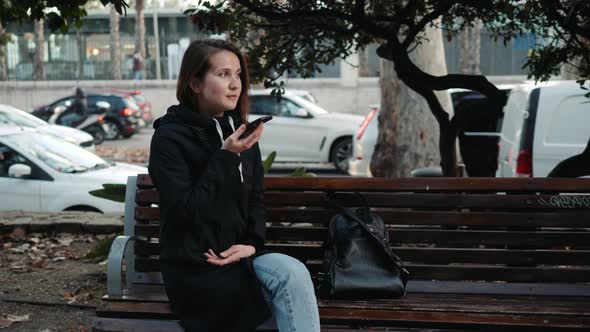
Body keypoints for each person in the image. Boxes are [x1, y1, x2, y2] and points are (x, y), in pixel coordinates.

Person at [148, 39, 320, 332]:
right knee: (230, 301)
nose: (235, 84)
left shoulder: (240, 132)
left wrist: (251, 245)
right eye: (223, 74)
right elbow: (184, 210)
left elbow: (255, 199)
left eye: (238, 74)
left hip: (242, 257)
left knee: (293, 273)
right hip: (196, 265)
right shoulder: (169, 139)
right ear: (195, 83)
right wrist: (226, 157)